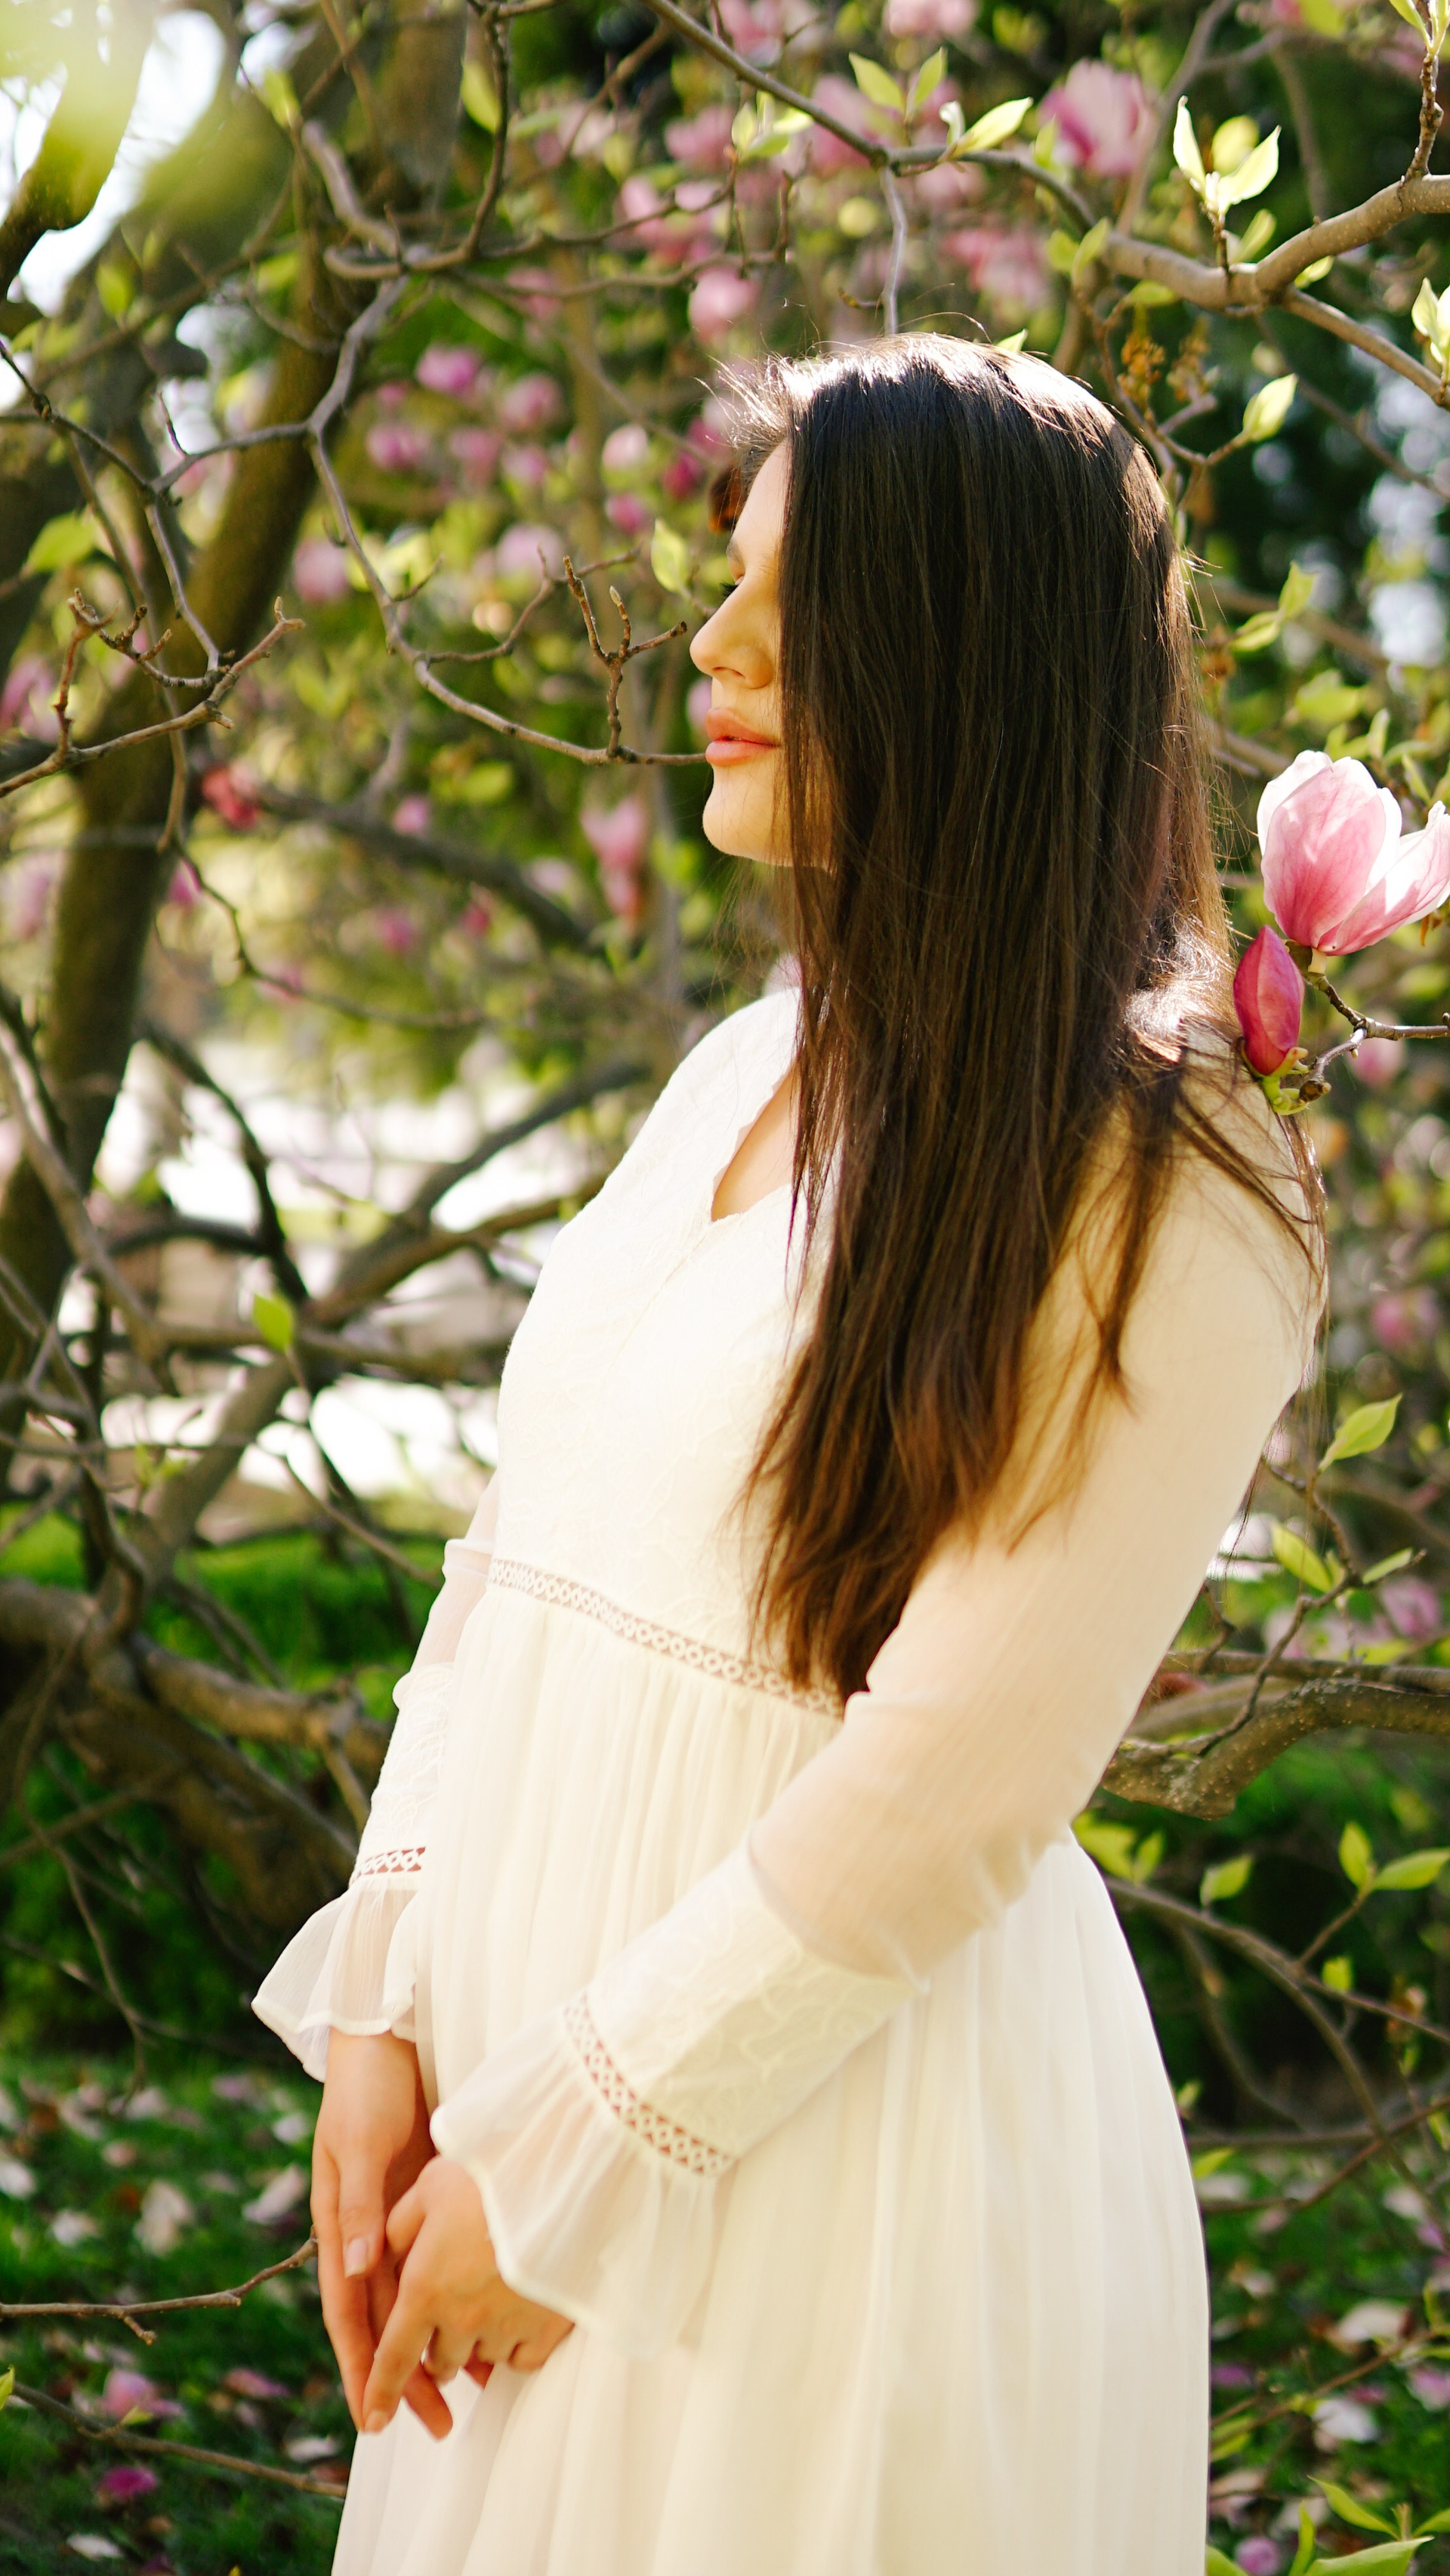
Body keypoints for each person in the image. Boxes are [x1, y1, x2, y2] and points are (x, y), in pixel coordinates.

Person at [254, 335, 1322, 2576]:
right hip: (516, 2138)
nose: (715, 647)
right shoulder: (747, 1065)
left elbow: (954, 1784)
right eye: (729, 581)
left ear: (963, 653)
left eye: (790, 597)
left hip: (833, 2183)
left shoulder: (1172, 1181)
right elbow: (509, 1562)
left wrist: (581, 2151)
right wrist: (391, 2013)